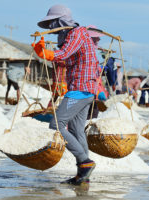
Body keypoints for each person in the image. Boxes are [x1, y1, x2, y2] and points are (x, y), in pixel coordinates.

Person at [33, 4, 98, 185]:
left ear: (61, 21)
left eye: (53, 23)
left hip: (80, 89)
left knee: (56, 125)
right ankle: (83, 175)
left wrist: (45, 53)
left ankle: (85, 163)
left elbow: (64, 53)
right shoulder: (71, 36)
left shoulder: (78, 33)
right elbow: (66, 58)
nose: (52, 28)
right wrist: (44, 52)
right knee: (77, 131)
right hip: (83, 89)